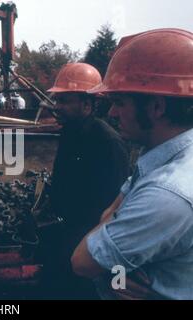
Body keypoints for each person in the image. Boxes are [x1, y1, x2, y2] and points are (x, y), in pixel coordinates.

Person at [72, 28, 193, 300]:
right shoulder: (165, 158)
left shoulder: (166, 194)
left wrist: (109, 271)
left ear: (157, 107)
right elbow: (110, 216)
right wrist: (117, 272)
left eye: (119, 102)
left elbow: (82, 261)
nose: (113, 113)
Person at [45, 62, 130, 299]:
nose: (57, 106)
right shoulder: (69, 132)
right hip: (68, 233)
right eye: (58, 100)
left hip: (92, 242)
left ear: (88, 103)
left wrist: (119, 275)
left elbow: (119, 213)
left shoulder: (108, 142)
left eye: (65, 101)